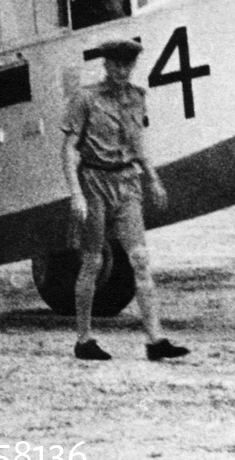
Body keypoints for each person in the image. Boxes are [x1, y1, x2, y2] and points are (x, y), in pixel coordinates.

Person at [60, 38, 189, 362]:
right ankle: (84, 339)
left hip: (128, 183)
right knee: (93, 262)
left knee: (141, 259)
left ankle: (155, 340)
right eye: (116, 64)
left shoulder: (137, 98)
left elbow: (138, 144)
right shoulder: (85, 98)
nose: (121, 71)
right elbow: (68, 149)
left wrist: (153, 179)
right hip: (95, 183)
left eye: (127, 65)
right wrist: (76, 193)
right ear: (106, 65)